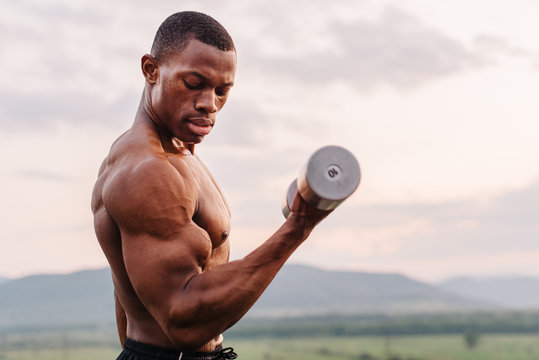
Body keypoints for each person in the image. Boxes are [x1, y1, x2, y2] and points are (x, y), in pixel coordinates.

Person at [91, 11, 331, 360]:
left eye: (222, 91)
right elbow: (181, 320)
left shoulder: (177, 153)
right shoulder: (148, 171)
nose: (209, 104)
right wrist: (297, 228)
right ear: (151, 70)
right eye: (194, 84)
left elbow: (128, 303)